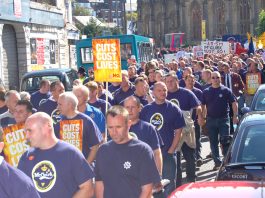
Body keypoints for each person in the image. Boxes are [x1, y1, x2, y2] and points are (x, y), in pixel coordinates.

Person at [18, 112, 95, 197]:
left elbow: (88, 189)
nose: (27, 136)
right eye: (25, 132)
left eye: (30, 131)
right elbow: (19, 188)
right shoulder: (26, 156)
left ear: (47, 127)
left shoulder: (70, 153)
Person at [95, 105, 161, 198]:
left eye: (118, 127)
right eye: (110, 127)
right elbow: (99, 183)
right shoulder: (102, 151)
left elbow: (147, 190)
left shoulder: (142, 150)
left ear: (129, 124)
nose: (114, 132)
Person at [140, 82, 185, 196]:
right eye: (159, 90)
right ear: (153, 92)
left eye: (164, 90)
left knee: (169, 185)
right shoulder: (146, 110)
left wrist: (171, 150)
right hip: (150, 155)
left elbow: (179, 131)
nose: (163, 93)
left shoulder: (174, 109)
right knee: (152, 186)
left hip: (168, 154)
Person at [165, 73, 203, 186]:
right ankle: (178, 184)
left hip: (186, 129)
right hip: (171, 130)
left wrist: (200, 117)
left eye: (172, 81)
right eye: (168, 81)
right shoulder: (164, 94)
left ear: (177, 81)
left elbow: (198, 106)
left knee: (189, 155)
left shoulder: (186, 93)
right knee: (175, 157)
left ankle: (191, 180)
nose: (170, 83)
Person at [201, 71, 239, 170]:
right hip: (211, 120)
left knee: (225, 141)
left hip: (224, 120)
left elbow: (234, 103)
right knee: (213, 142)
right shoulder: (206, 91)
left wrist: (235, 115)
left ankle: (226, 162)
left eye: (217, 77)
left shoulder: (226, 90)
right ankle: (217, 163)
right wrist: (202, 118)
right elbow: (202, 105)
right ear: (210, 79)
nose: (215, 79)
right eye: (213, 78)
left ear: (220, 78)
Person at [56, 92, 103, 164]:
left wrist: (86, 165)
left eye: (60, 104)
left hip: (82, 169)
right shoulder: (59, 122)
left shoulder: (86, 121)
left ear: (69, 105)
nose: (57, 107)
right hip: (65, 167)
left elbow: (95, 146)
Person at [123, 96, 163, 176]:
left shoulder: (149, 128)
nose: (130, 110)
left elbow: (157, 153)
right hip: (123, 175)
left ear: (139, 108)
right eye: (127, 107)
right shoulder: (118, 128)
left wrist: (159, 175)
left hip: (145, 174)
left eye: (133, 107)